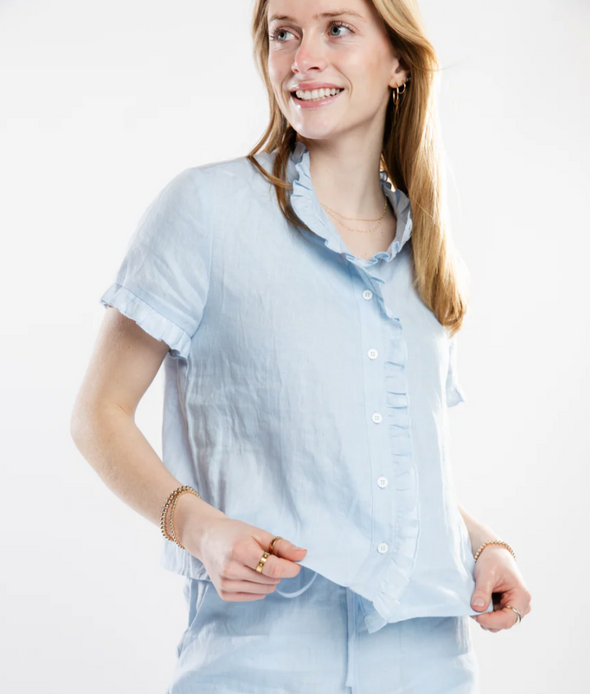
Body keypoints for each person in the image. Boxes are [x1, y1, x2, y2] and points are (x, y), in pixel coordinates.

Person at [70, 0, 532, 692]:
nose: (303, 58)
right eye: (283, 33)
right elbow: (96, 413)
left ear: (399, 62)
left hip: (429, 660)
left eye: (336, 29)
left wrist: (483, 543)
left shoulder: (429, 255)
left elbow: (385, 468)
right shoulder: (206, 211)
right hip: (261, 660)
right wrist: (198, 528)